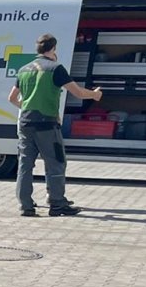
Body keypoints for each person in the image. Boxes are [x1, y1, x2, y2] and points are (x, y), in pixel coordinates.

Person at [8, 33, 102, 217]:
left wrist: (28, 107)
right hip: (46, 124)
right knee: (56, 163)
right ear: (53, 49)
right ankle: (57, 204)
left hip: (25, 122)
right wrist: (95, 95)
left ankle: (25, 205)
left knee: (25, 165)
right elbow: (79, 93)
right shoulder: (55, 68)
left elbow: (11, 98)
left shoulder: (23, 69)